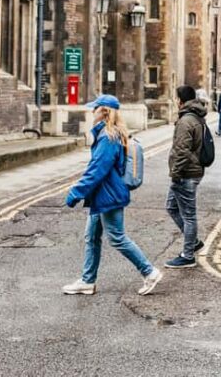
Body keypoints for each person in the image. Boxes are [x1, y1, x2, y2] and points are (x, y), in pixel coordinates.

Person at [62, 94, 163, 296]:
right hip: (102, 195)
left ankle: (149, 272)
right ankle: (87, 281)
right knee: (91, 236)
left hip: (109, 196)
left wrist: (76, 192)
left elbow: (97, 169)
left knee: (117, 237)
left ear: (105, 112)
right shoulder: (109, 134)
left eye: (96, 108)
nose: (92, 112)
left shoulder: (108, 137)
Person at [164, 85, 207, 269]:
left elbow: (182, 151)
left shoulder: (186, 120)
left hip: (186, 174)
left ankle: (188, 255)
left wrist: (175, 174)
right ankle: (194, 241)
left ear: (180, 100)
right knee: (171, 206)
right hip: (191, 171)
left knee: (189, 216)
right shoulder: (196, 116)